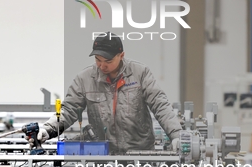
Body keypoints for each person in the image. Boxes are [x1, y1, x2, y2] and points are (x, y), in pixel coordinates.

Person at [37, 32, 182, 154]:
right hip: (103, 155)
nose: (102, 65)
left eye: (108, 60)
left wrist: (176, 135)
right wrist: (48, 129)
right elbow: (68, 110)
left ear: (121, 55)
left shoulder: (140, 74)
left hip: (140, 155)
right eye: (97, 60)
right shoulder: (85, 79)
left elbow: (160, 105)